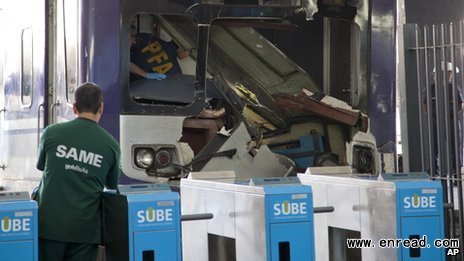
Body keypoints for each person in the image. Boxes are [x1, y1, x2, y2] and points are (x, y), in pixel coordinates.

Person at [34, 82, 121, 261]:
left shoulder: (51, 133)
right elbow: (111, 185)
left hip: (49, 226)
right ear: (101, 108)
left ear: (74, 107)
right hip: (85, 230)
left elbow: (41, 165)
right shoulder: (111, 145)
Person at [423, 62, 463, 175]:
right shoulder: (434, 88)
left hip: (445, 121)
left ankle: (440, 172)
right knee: (447, 147)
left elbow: (460, 105)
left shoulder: (451, 88)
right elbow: (460, 105)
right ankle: (446, 172)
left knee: (445, 147)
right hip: (444, 121)